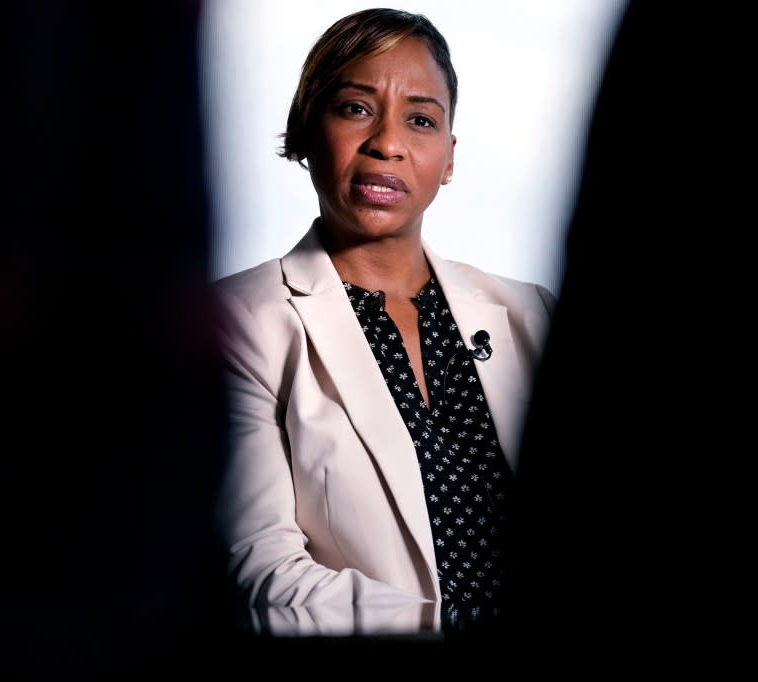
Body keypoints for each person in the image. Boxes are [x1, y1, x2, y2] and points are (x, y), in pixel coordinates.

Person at [213, 8, 555, 636]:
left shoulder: (534, 314)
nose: (388, 143)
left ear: (448, 158)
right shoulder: (238, 324)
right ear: (304, 131)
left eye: (420, 119)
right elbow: (264, 574)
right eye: (356, 109)